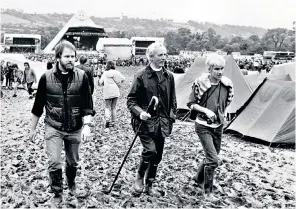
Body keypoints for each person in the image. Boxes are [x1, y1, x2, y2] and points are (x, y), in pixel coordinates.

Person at [29, 40, 95, 205]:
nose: (71, 59)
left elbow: (88, 104)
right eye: (67, 56)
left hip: (75, 127)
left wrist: (87, 126)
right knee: (54, 161)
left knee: (72, 162)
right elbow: (38, 106)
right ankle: (57, 193)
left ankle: (71, 184)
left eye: (73, 56)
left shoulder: (82, 77)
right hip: (53, 126)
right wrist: (32, 129)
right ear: (58, 57)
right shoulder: (46, 78)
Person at [127, 42, 177, 196]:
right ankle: (139, 177)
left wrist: (171, 118)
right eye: (160, 55)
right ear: (151, 57)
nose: (164, 57)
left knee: (158, 155)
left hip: (163, 123)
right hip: (144, 122)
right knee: (150, 150)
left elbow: (173, 101)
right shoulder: (141, 76)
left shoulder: (169, 76)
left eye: (165, 54)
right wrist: (140, 112)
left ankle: (149, 185)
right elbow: (131, 101)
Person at [187, 54, 234, 201]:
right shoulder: (200, 84)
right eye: (216, 69)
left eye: (222, 69)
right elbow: (191, 104)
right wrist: (206, 110)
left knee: (212, 154)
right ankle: (207, 191)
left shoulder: (227, 85)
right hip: (203, 126)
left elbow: (226, 103)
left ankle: (197, 178)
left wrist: (222, 114)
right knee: (213, 160)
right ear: (209, 69)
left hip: (218, 126)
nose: (220, 72)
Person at [99, 61, 125, 129]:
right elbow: (123, 79)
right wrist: (119, 82)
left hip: (107, 90)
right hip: (115, 90)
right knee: (113, 107)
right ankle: (113, 121)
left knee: (107, 107)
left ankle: (107, 120)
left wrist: (103, 83)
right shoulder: (117, 72)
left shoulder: (105, 73)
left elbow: (100, 82)